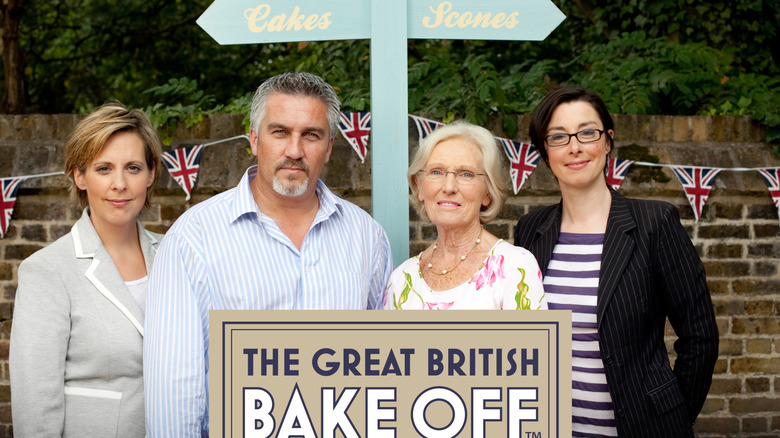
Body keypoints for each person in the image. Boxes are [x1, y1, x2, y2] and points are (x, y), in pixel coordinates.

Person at [144, 71, 393, 436]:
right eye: (280, 132)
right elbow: (174, 386)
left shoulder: (366, 236)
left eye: (311, 134)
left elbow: (383, 363)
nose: (295, 149)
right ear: (254, 140)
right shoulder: (193, 238)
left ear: (329, 145)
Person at [514, 86, 719, 437]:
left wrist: (673, 418)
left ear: (607, 141)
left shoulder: (654, 223)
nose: (575, 146)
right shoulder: (531, 229)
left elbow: (700, 336)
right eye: (558, 137)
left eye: (587, 133)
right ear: (545, 152)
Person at [10, 102, 162, 437]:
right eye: (103, 168)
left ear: (151, 173)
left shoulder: (177, 256)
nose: (119, 183)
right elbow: (35, 407)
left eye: (133, 168)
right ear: (79, 176)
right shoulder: (47, 271)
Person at [383, 121, 545, 310]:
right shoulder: (401, 279)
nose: (449, 187)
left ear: (487, 192)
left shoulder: (516, 268)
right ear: (419, 187)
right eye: (436, 172)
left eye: (466, 174)